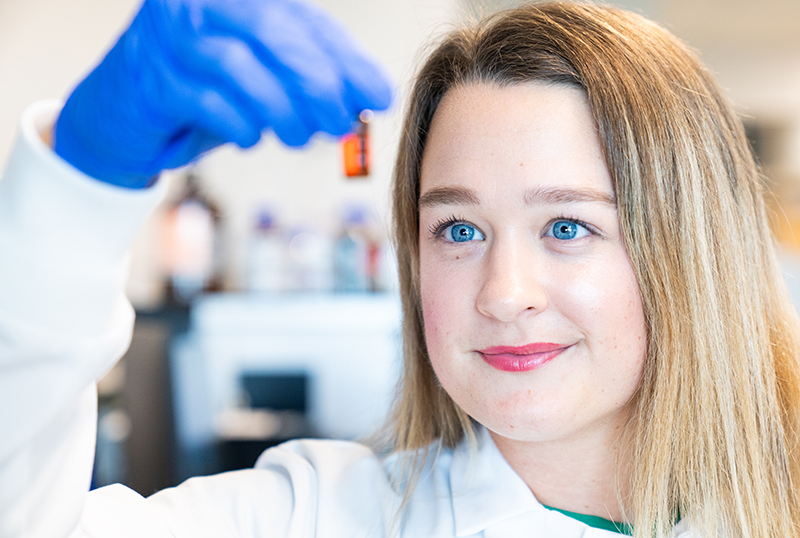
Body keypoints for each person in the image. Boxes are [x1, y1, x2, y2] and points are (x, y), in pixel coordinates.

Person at [1, 2, 798, 538]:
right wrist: (79, 184)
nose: (503, 293)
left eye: (567, 225)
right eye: (457, 227)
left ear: (693, 248)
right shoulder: (323, 515)